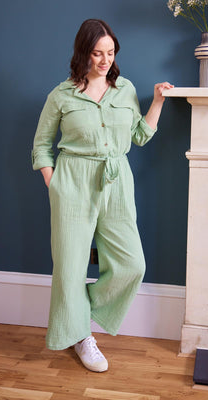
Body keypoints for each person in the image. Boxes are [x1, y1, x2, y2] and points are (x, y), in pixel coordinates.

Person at [32, 18, 173, 373]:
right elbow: (40, 145)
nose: (104, 60)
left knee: (132, 264)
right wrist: (55, 184)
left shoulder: (125, 89)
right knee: (70, 266)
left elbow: (140, 136)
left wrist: (157, 101)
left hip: (117, 179)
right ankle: (81, 337)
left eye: (110, 53)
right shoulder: (61, 95)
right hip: (73, 180)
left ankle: (76, 315)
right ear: (83, 53)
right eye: (97, 53)